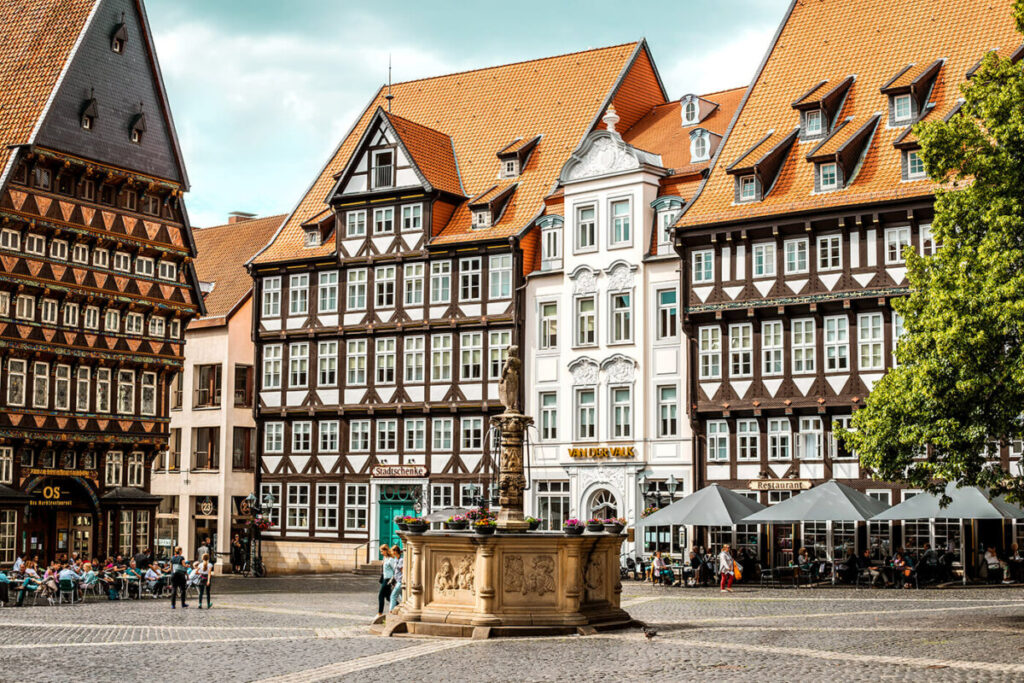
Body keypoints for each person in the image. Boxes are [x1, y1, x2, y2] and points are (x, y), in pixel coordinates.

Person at [377, 544, 393, 618]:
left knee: (381, 595)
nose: (381, 553)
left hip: (388, 579)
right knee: (388, 597)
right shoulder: (384, 558)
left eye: (382, 551)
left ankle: (380, 613)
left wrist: (392, 580)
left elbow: (394, 569)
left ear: (386, 550)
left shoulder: (391, 559)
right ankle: (398, 607)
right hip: (384, 578)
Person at [389, 545, 404, 612]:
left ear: (395, 551)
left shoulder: (401, 560)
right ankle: (403, 609)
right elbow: (395, 571)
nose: (392, 553)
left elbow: (402, 571)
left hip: (400, 581)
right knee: (402, 597)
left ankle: (391, 611)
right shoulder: (395, 559)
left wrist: (401, 581)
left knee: (393, 595)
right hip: (397, 581)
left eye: (392, 551)